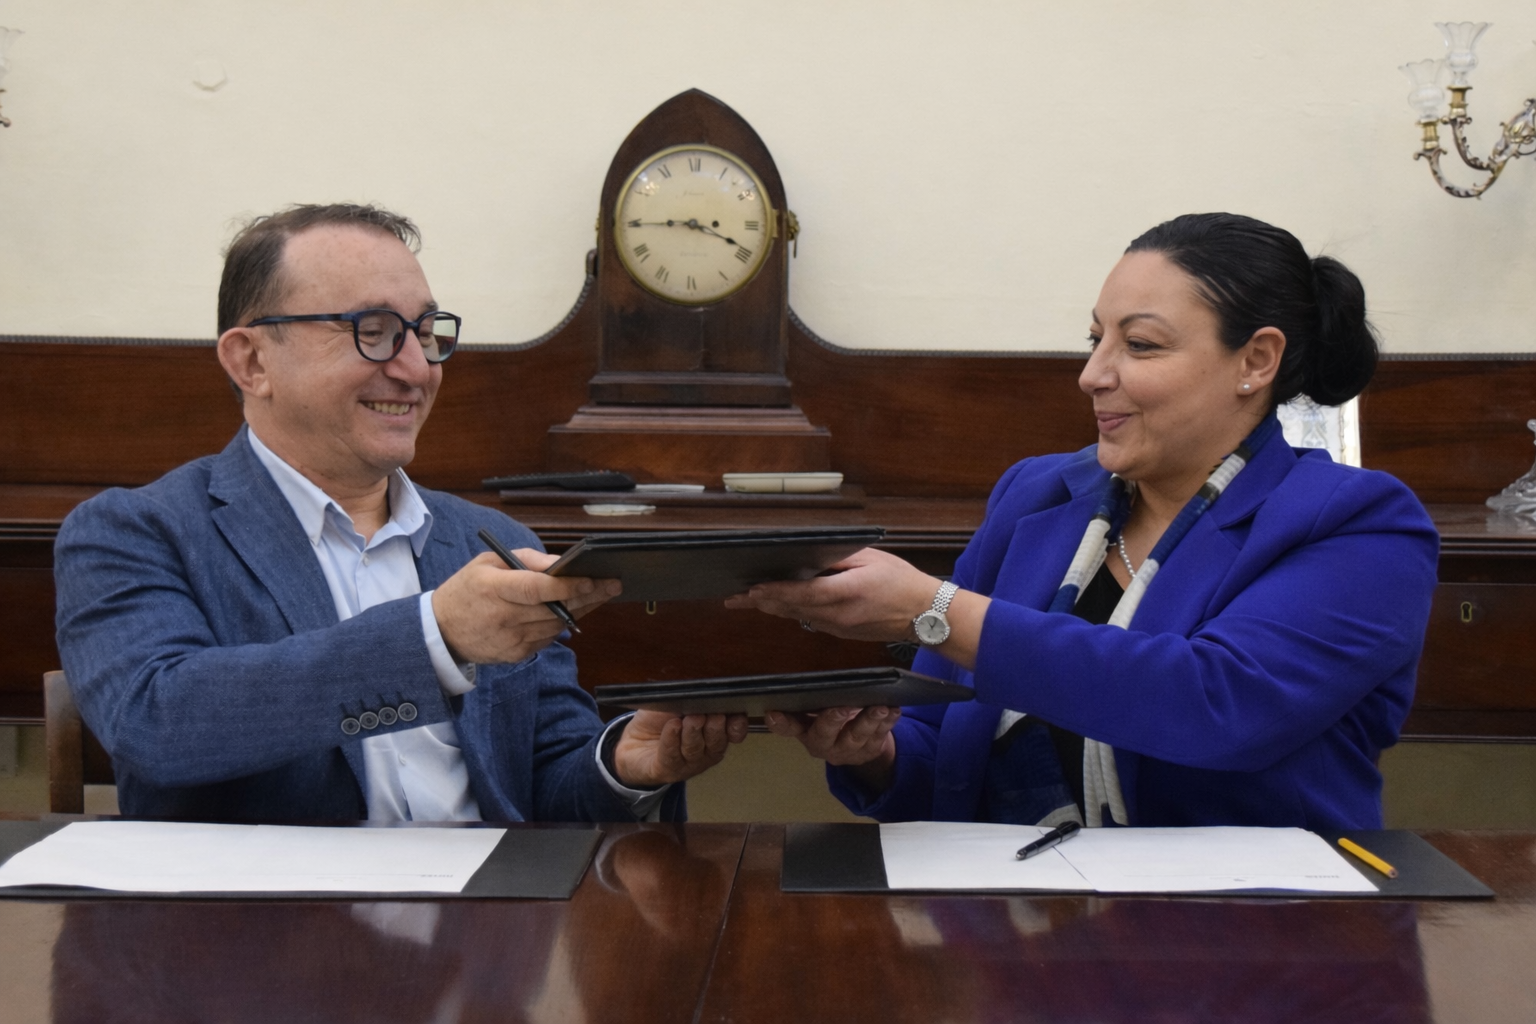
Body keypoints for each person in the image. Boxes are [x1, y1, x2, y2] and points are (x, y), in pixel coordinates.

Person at [727, 212, 1438, 830]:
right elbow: (940, 756)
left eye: (1141, 345)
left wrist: (932, 608)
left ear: (1256, 359)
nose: (1093, 373)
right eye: (1095, 339)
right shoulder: (1036, 496)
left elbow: (1215, 705)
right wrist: (873, 753)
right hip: (1014, 919)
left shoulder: (1359, 524)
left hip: (1257, 930)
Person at [54, 203, 747, 822]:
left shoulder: (491, 542)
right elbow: (155, 725)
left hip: (487, 914)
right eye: (374, 330)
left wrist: (624, 765)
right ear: (251, 361)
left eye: (425, 331)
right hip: (268, 918)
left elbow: (544, 790)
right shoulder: (135, 532)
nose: (417, 368)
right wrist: (434, 639)